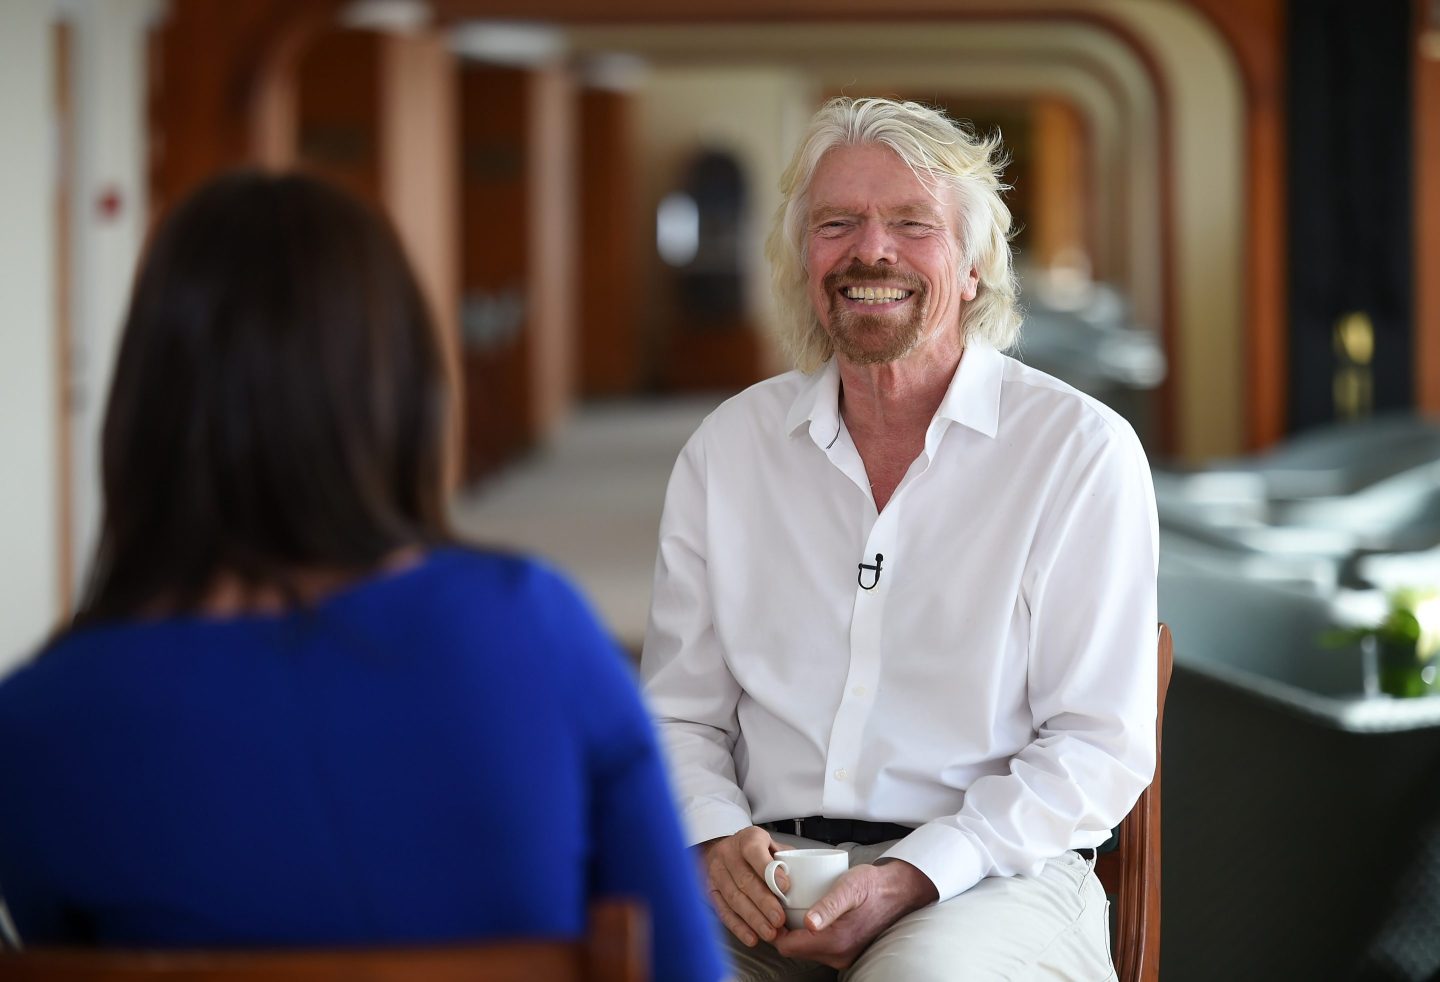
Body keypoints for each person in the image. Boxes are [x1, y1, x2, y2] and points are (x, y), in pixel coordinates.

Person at [0, 171, 724, 982]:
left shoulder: (37, 724)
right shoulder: (532, 629)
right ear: (404, 386)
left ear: (147, 400)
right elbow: (682, 967)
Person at [641, 97, 1158, 980]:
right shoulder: (728, 450)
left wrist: (918, 873)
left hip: (990, 881)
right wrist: (716, 834)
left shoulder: (1078, 452)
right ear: (804, 260)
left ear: (974, 267)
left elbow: (1096, 745)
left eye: (912, 225)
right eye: (837, 223)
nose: (869, 251)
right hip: (762, 876)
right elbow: (679, 712)